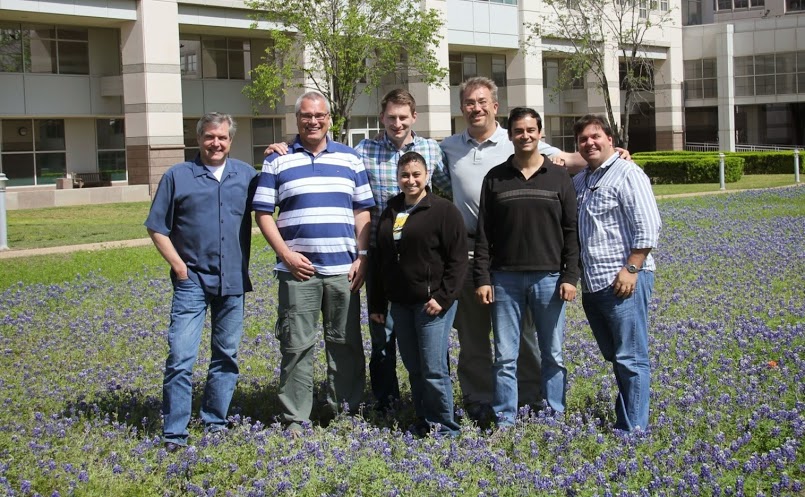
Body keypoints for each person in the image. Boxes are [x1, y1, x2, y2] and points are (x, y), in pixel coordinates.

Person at [264, 89, 450, 411]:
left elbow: (447, 192)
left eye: (402, 117)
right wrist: (278, 148)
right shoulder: (362, 151)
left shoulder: (430, 150)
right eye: (391, 117)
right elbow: (270, 209)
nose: (397, 123)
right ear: (381, 118)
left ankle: (430, 406)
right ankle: (385, 403)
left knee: (423, 331)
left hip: (419, 256)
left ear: (414, 117)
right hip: (377, 254)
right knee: (379, 333)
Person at [440, 77, 566, 422]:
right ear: (461, 108)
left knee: (523, 335)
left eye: (482, 101)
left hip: (514, 253)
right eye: (469, 102)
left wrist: (615, 153)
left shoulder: (516, 137)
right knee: (473, 335)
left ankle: (530, 397)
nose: (476, 108)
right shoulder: (448, 147)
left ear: (495, 106)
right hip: (469, 250)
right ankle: (480, 399)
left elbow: (567, 159)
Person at [253, 90, 375, 435]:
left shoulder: (350, 158)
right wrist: (286, 255)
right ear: (297, 119)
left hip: (343, 271)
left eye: (320, 115)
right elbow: (263, 213)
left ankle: (346, 411)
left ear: (329, 119)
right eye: (306, 115)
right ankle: (296, 417)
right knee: (296, 345)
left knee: (346, 343)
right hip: (298, 272)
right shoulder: (277, 160)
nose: (313, 121)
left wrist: (362, 257)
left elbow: (362, 211)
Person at [145, 112, 258, 452]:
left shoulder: (247, 175)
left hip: (233, 281)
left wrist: (281, 151)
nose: (216, 143)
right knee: (181, 357)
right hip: (192, 281)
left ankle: (215, 423)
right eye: (210, 136)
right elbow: (156, 227)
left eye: (222, 137)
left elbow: (274, 202)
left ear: (230, 140)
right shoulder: (177, 176)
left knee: (226, 356)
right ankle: (175, 433)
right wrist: (179, 268)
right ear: (198, 139)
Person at [473, 108, 579, 428]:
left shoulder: (559, 176)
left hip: (549, 278)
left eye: (531, 130)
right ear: (510, 135)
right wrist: (483, 278)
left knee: (553, 354)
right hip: (504, 279)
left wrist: (570, 276)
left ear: (540, 133)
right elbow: (484, 233)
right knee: (505, 356)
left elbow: (571, 230)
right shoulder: (495, 177)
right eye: (519, 130)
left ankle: (554, 415)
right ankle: (505, 419)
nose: (525, 136)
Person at [572, 114, 661, 432]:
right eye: (583, 139)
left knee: (631, 357)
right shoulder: (580, 180)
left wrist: (632, 268)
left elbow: (649, 226)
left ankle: (633, 430)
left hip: (624, 280)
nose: (590, 143)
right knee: (616, 355)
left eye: (596, 136)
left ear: (610, 139)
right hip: (594, 284)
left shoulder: (628, 173)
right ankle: (629, 416)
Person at [369, 151, 467, 437]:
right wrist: (377, 303)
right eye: (404, 175)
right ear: (397, 177)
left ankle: (445, 427)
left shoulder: (443, 210)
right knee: (414, 367)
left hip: (432, 303)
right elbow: (380, 259)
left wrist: (444, 297)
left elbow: (458, 259)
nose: (410, 180)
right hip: (401, 303)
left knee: (434, 368)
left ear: (426, 176)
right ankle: (425, 420)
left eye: (416, 175)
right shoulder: (391, 210)